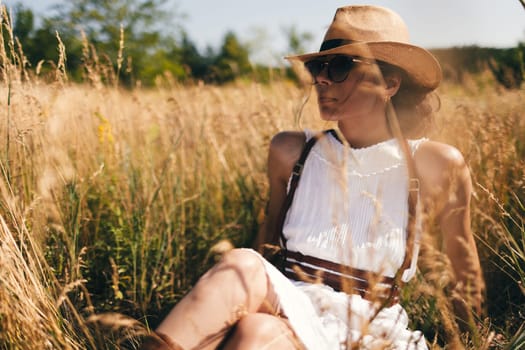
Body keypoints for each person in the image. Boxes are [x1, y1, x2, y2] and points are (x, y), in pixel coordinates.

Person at [141, 5, 484, 350]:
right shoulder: (292, 152)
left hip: (371, 328)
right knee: (249, 299)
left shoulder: (433, 163)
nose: (321, 78)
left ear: (390, 83)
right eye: (317, 66)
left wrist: (470, 339)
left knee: (254, 327)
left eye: (340, 67)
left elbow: (463, 268)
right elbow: (268, 242)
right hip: (292, 302)